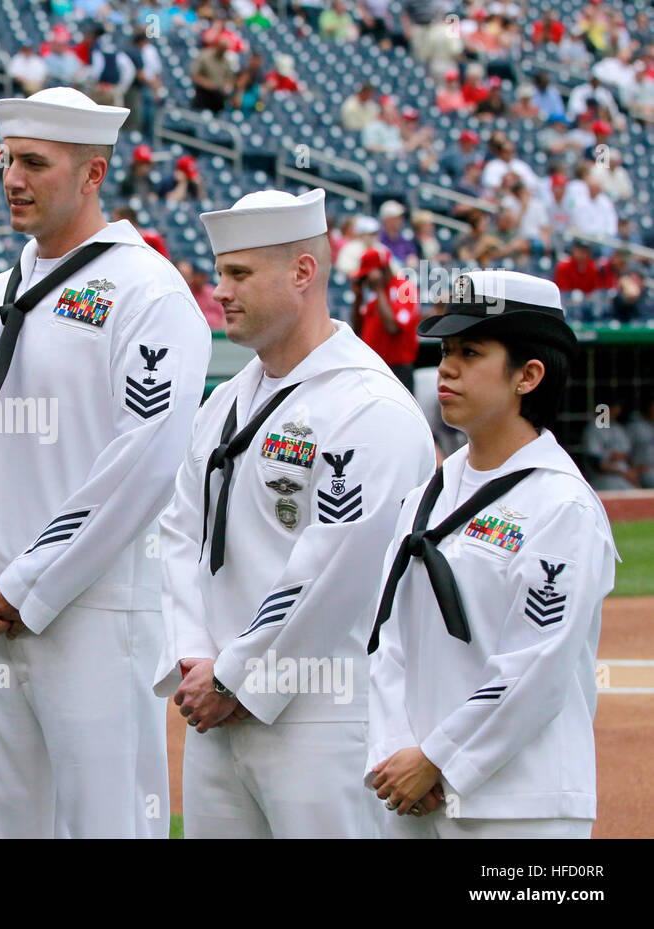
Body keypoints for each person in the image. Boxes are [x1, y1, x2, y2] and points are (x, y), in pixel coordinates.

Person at [0, 86, 210, 838]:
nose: (13, 179)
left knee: (106, 820)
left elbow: (145, 458)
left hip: (93, 611)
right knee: (3, 822)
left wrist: (29, 580)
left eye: (35, 163)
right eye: (6, 161)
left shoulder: (147, 291)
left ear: (94, 175)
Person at [155, 187, 434, 838]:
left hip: (322, 716)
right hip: (216, 714)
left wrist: (231, 675)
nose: (219, 290)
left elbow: (335, 570)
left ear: (303, 273)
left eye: (240, 273)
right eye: (221, 273)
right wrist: (196, 658)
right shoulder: (225, 400)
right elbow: (178, 532)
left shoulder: (369, 408)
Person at [368, 270, 616, 838]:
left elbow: (536, 665)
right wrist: (396, 750)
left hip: (518, 806)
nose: (446, 368)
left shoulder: (560, 506)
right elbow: (387, 638)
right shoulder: (427, 494)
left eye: (470, 352)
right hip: (409, 796)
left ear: (528, 375)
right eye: (446, 350)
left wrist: (439, 757)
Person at [352, 248, 420, 391]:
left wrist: (378, 288)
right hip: (373, 368)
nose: (366, 281)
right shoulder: (374, 296)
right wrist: (358, 297)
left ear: (380, 271)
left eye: (367, 276)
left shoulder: (404, 288)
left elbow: (393, 328)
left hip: (397, 371)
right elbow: (358, 330)